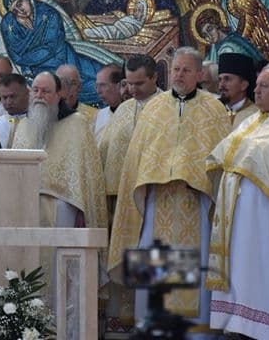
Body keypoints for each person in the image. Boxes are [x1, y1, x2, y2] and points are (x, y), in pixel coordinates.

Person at [108, 47, 231, 336]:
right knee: (156, 279)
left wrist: (197, 177)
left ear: (199, 74)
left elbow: (222, 163)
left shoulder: (215, 110)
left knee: (196, 273)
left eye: (186, 70)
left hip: (196, 205)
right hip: (157, 204)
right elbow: (136, 162)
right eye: (176, 69)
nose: (179, 75)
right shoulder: (154, 108)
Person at [206, 60, 269, 339]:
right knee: (242, 276)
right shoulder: (250, 121)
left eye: (265, 86)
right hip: (238, 223)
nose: (257, 91)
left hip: (267, 221)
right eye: (257, 85)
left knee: (266, 273)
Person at [98, 55, 160, 337]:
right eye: (128, 83)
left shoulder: (166, 108)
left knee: (151, 263)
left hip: (152, 202)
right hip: (119, 205)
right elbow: (105, 151)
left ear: (155, 78)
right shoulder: (123, 110)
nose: (132, 89)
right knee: (122, 261)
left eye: (139, 83)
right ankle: (120, 325)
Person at [12, 71, 107, 232]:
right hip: (27, 204)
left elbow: (89, 174)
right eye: (36, 90)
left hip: (64, 205)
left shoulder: (77, 123)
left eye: (45, 91)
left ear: (58, 95)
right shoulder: (22, 126)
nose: (39, 95)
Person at [0, 0, 113, 105]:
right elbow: (17, 57)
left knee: (102, 74)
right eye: (15, 10)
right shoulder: (9, 25)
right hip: (43, 71)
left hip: (65, 55)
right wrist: (36, 56)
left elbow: (52, 46)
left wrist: (30, 56)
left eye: (20, 3)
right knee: (82, 88)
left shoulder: (48, 12)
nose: (20, 11)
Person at [217, 52, 258, 129]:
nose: (221, 85)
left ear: (243, 85)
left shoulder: (256, 114)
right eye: (219, 79)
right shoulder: (212, 109)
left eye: (227, 79)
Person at [0, 73, 29, 148]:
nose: (8, 102)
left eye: (13, 97)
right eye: (4, 97)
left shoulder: (39, 124)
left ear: (27, 94)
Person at [94, 63, 123, 141]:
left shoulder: (135, 114)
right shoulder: (99, 115)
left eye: (103, 85)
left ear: (119, 85)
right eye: (97, 86)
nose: (98, 91)